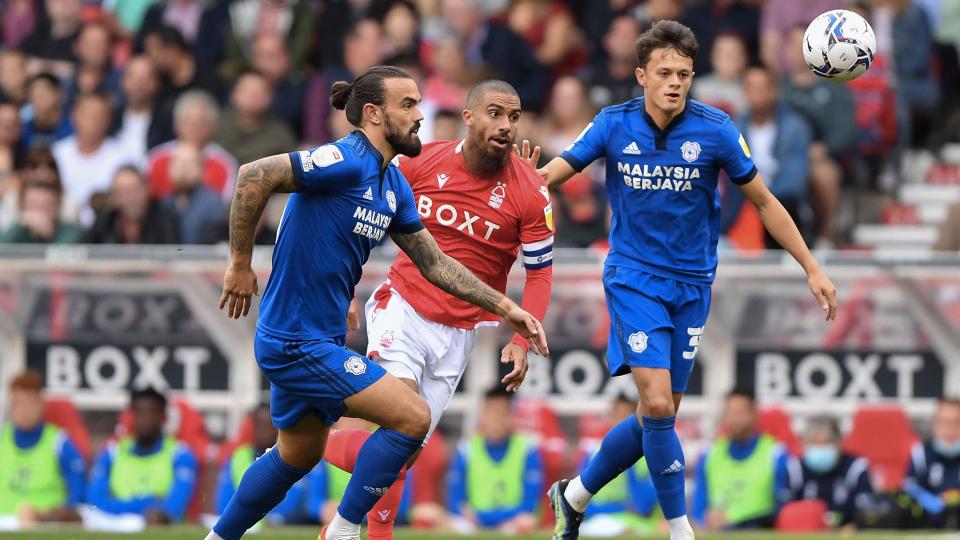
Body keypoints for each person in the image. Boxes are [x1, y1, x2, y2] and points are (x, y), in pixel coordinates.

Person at [206, 65, 547, 540]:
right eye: (407, 105)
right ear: (373, 114)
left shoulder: (393, 185)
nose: (419, 115)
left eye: (419, 104)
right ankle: (344, 531)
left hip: (321, 338)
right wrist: (240, 263)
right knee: (412, 417)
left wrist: (506, 307)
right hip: (294, 340)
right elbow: (254, 174)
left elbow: (436, 263)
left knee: (298, 455)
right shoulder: (346, 159)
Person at [529, 20, 837, 540]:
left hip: (692, 284)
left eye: (684, 74)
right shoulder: (612, 123)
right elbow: (556, 173)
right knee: (655, 405)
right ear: (641, 75)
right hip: (634, 277)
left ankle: (575, 494)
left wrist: (812, 266)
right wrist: (521, 182)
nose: (675, 82)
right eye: (665, 73)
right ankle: (681, 530)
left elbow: (764, 201)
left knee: (659, 413)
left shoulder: (716, 129)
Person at [322, 78, 554, 539]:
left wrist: (521, 339)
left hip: (458, 333)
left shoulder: (530, 190)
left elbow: (541, 275)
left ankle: (310, 445)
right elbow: (356, 219)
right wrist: (345, 286)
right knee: (401, 421)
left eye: (513, 117)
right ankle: (349, 528)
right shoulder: (421, 162)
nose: (505, 125)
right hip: (402, 307)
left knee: (401, 452)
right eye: (494, 113)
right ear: (468, 117)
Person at [86, 387, 199, 524]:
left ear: (163, 417)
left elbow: (173, 508)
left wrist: (119, 503)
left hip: (154, 526)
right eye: (140, 413)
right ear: (131, 416)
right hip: (113, 523)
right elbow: (94, 501)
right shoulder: (112, 452)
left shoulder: (180, 454)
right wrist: (149, 502)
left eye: (152, 413)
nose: (145, 419)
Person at [691, 389, 791, 529]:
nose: (734, 419)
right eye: (730, 412)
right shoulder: (709, 454)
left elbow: (782, 509)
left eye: (740, 413)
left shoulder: (775, 454)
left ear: (754, 414)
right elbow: (698, 509)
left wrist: (737, 522)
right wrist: (705, 520)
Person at [446, 387, 543, 533]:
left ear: (512, 416)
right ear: (482, 415)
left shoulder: (528, 450)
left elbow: (529, 505)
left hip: (511, 522)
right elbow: (455, 502)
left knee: (526, 522)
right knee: (443, 522)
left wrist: (489, 518)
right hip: (472, 523)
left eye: (502, 414)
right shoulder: (465, 450)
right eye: (491, 413)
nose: (496, 420)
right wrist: (475, 517)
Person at [735, 66, 812, 249]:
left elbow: (793, 179)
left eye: (761, 88)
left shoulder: (795, 126)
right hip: (743, 202)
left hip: (780, 201)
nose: (756, 94)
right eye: (750, 88)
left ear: (774, 91)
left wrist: (763, 201)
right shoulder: (733, 128)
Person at [0, 371, 85, 525]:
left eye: (29, 403)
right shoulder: (2, 439)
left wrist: (48, 516)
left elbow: (79, 493)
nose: (23, 411)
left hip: (44, 523)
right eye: (17, 404)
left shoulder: (59, 442)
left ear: (41, 404)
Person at [578, 394, 658, 537]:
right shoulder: (592, 453)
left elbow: (643, 507)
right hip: (598, 520)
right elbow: (580, 501)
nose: (620, 422)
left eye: (626, 416)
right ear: (609, 418)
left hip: (632, 522)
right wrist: (621, 508)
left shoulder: (646, 457)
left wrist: (629, 460)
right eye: (617, 415)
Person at [215, 404, 307, 526]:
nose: (264, 430)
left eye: (268, 424)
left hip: (282, 526)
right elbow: (225, 502)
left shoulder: (292, 457)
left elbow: (292, 504)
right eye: (259, 424)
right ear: (253, 427)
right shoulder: (239, 457)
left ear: (278, 427)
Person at [51, 91, 131, 225]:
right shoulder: (56, 154)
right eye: (87, 113)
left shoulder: (123, 158)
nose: (93, 120)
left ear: (109, 121)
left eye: (99, 115)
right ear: (73, 116)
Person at [146, 90, 238, 199]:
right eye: (188, 121)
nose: (194, 127)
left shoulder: (225, 164)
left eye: (201, 122)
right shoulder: (156, 158)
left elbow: (225, 203)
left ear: (213, 127)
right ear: (176, 124)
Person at [786, 416, 874, 529]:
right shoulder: (795, 468)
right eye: (814, 443)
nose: (820, 449)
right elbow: (786, 511)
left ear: (839, 441)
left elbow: (866, 509)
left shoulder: (855, 468)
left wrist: (855, 524)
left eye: (826, 443)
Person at [214, 71, 297, 167]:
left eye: (259, 92)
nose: (252, 96)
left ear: (270, 98)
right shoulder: (213, 126)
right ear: (233, 94)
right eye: (246, 91)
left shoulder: (280, 134)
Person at [84, 165, 180, 244]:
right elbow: (83, 250)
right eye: (122, 192)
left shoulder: (164, 220)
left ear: (147, 189)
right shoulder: (106, 220)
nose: (130, 199)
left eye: (134, 191)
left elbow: (173, 253)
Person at [904, 398, 960, 528]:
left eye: (956, 422)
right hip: (928, 525)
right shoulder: (921, 453)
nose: (950, 429)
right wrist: (933, 501)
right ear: (935, 424)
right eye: (944, 422)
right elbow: (909, 487)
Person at [164, 143, 226, 243]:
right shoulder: (163, 203)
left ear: (202, 169)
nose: (183, 170)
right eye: (178, 163)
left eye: (189, 164)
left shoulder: (212, 205)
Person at [0, 181, 80, 243]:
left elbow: (62, 252)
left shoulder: (70, 231)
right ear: (21, 206)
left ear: (58, 206)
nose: (39, 213)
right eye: (33, 205)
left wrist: (48, 234)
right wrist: (20, 225)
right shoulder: (13, 230)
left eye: (46, 206)